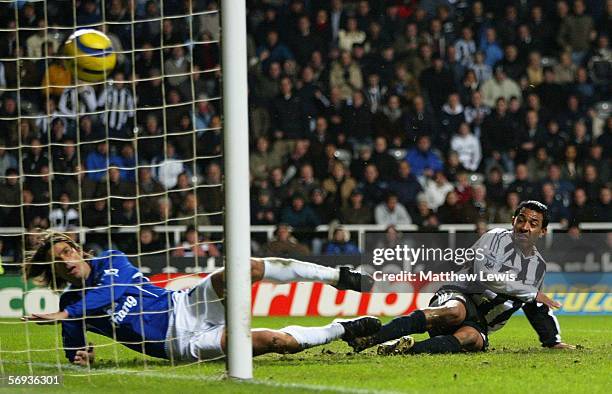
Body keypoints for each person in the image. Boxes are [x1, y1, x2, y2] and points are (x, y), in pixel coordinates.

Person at [23, 231, 378, 365]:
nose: (67, 261)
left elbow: (108, 294)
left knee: (245, 268)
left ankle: (339, 276)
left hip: (186, 304)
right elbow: (74, 351)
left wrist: (65, 312)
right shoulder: (73, 309)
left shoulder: (111, 261)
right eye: (58, 261)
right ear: (54, 272)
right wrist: (79, 357)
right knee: (274, 341)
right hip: (179, 344)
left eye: (67, 251)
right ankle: (343, 330)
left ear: (78, 250)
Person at [345, 201, 575, 355]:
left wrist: (551, 340)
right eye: (521, 220)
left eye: (533, 224)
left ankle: (405, 349)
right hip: (459, 295)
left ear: (542, 231)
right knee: (455, 312)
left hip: (481, 323)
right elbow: (485, 276)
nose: (525, 227)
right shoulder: (494, 238)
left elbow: (535, 305)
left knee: (471, 338)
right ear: (512, 220)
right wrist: (530, 292)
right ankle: (371, 338)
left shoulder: (538, 268)